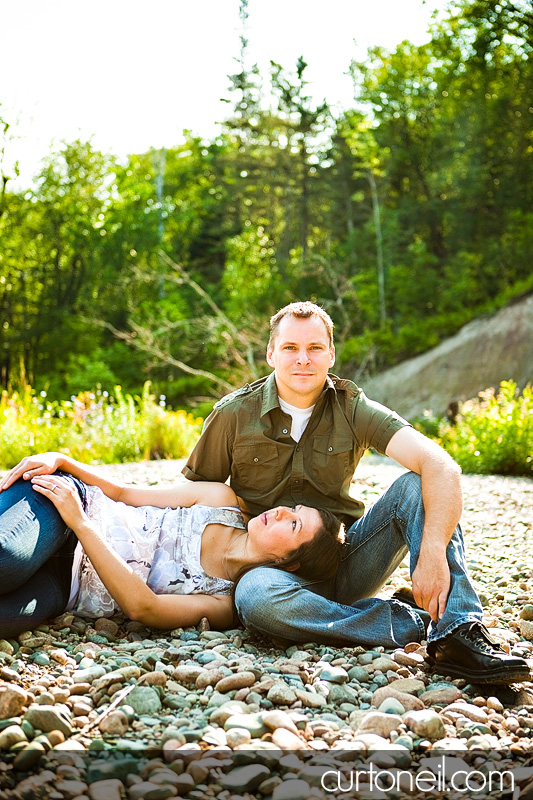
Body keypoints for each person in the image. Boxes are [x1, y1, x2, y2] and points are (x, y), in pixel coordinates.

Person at [183, 300, 531, 685]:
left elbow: (442, 466)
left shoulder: (352, 408)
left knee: (416, 486)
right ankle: (408, 620)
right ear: (271, 354)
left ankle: (457, 632)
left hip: (346, 562)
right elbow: (192, 502)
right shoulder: (233, 415)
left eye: (315, 348)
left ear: (331, 354)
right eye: (290, 348)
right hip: (269, 572)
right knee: (255, 601)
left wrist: (431, 553)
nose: (303, 359)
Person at [0, 452, 345, 638]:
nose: (282, 511)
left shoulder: (223, 603)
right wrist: (62, 461)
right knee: (6, 562)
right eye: (294, 508)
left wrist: (83, 526)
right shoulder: (219, 499)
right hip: (65, 508)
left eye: (295, 523)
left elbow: (143, 608)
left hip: (66, 586)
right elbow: (124, 493)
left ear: (290, 563)